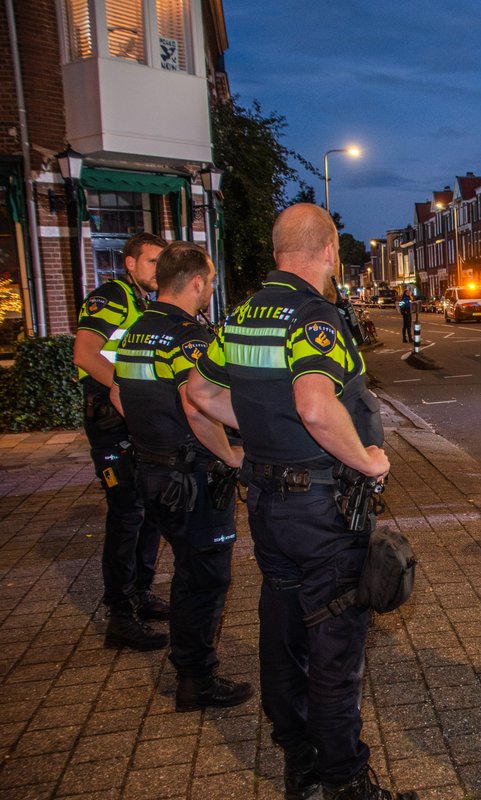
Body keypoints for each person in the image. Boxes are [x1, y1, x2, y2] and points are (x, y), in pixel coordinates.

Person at [190, 204, 416, 800]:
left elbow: (199, 392)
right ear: (329, 251)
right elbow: (317, 406)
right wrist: (368, 460)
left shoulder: (240, 316)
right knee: (335, 641)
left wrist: (256, 436)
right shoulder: (314, 317)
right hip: (320, 507)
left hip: (265, 501)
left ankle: (300, 760)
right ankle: (344, 781)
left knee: (283, 624)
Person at [112, 242, 254, 712]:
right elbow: (199, 407)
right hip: (190, 479)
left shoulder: (135, 331)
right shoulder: (185, 337)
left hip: (150, 471)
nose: (211, 289)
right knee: (205, 579)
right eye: (210, 282)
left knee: (186, 574)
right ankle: (196, 680)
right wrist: (231, 456)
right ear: (195, 282)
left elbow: (118, 391)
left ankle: (190, 663)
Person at [73, 231, 169, 651]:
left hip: (133, 419)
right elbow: (85, 353)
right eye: (152, 262)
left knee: (148, 508)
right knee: (126, 513)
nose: (158, 271)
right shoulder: (111, 296)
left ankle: (140, 592)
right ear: (130, 262)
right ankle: (119, 614)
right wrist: (122, 387)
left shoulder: (141, 302)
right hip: (112, 421)